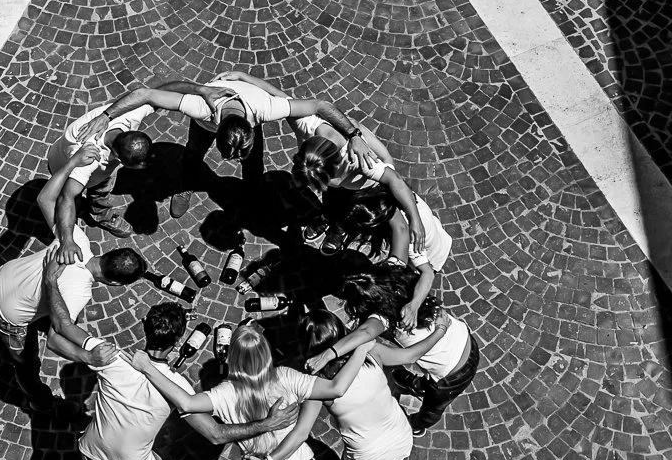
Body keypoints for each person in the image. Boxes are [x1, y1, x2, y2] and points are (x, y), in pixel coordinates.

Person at [40, 258, 298, 460]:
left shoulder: (109, 357)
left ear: (144, 327)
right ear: (178, 342)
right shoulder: (178, 387)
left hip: (86, 455)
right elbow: (215, 434)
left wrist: (51, 281)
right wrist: (267, 424)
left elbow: (62, 325)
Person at [217, 71, 450, 300]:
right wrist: (243, 77)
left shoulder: (358, 159)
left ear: (332, 171)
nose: (313, 190)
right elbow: (280, 98)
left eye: (315, 185)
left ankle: (339, 228)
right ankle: (330, 221)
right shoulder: (306, 125)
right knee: (332, 202)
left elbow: (392, 173)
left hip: (366, 187)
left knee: (349, 207)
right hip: (343, 185)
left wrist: (412, 220)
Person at [133, 324, 372, 460]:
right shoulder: (286, 376)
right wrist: (362, 346)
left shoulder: (225, 393)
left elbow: (185, 401)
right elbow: (336, 389)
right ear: (266, 353)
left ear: (231, 358)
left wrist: (147, 368)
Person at [80, 73, 378, 218]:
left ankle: (253, 195)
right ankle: (185, 184)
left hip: (246, 112)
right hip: (206, 118)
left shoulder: (265, 108)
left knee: (254, 166)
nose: (231, 160)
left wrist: (353, 135)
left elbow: (320, 105)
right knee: (193, 154)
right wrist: (107, 116)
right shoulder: (200, 107)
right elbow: (148, 93)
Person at [0, 148, 145, 396]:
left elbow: (46, 200)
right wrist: (87, 355)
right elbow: (54, 338)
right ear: (114, 283)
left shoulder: (77, 239)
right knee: (24, 360)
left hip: (2, 275)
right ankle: (29, 386)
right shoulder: (77, 293)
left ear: (107, 253)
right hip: (4, 312)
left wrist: (72, 161)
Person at [298, 310, 449, 460]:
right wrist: (440, 330)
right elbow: (410, 356)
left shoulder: (318, 384)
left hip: (365, 458)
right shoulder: (371, 351)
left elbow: (302, 431)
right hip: (402, 439)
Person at [313, 267, 480, 436]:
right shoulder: (403, 284)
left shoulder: (383, 318)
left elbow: (401, 351)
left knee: (433, 408)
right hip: (467, 341)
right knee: (431, 383)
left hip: (451, 377)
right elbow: (427, 272)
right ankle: (418, 385)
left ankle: (417, 425)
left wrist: (328, 354)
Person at [44, 101, 155, 245]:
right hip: (66, 170)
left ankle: (100, 215)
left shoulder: (130, 114)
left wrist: (193, 98)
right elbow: (66, 198)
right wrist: (68, 241)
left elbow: (154, 93)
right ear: (119, 157)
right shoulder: (89, 158)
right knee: (72, 202)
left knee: (102, 190)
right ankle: (75, 219)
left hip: (99, 174)